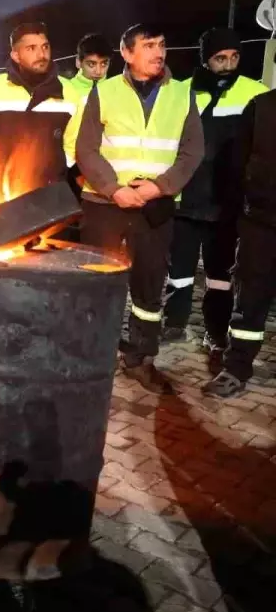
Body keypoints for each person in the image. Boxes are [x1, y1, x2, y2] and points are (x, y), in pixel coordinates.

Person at [77, 24, 204, 394]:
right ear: (127, 52)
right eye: (148, 45)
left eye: (162, 45)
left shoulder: (182, 94)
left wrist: (159, 187)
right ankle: (95, 352)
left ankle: (141, 356)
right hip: (105, 204)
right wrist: (113, 189)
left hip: (156, 207)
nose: (158, 52)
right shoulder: (104, 91)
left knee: (149, 286)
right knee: (98, 280)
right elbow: (86, 149)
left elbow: (192, 152)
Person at [162, 28, 268, 362]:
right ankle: (172, 324)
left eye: (234, 57)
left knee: (220, 277)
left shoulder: (255, 93)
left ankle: (216, 331)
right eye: (220, 58)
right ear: (206, 60)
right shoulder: (181, 92)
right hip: (184, 199)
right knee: (177, 272)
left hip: (227, 204)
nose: (228, 64)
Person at [206, 85, 276, 398]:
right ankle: (236, 368)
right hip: (259, 223)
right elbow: (238, 164)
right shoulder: (261, 106)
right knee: (249, 300)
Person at [0, 22, 82, 195]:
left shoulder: (69, 91)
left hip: (49, 192)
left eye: (45, 47)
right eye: (31, 48)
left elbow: (73, 142)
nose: (41, 54)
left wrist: (57, 170)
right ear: (16, 55)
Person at [69, 33, 113, 101]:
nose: (98, 71)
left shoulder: (118, 91)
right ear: (78, 62)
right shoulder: (65, 91)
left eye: (104, 64)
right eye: (91, 64)